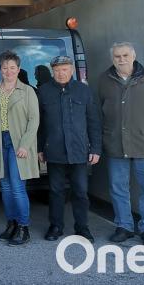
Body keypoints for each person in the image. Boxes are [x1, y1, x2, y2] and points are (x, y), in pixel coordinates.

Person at [98, 42, 144, 248]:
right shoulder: (104, 79)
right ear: (112, 59)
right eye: (117, 56)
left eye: (125, 55)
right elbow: (101, 109)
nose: (121, 59)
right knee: (118, 188)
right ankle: (124, 226)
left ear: (133, 56)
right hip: (115, 143)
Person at [37, 55, 102, 243]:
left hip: (79, 151)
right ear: (52, 71)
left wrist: (95, 148)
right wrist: (40, 148)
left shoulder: (84, 90)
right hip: (54, 151)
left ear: (72, 70)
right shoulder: (44, 92)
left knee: (80, 191)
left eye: (64, 69)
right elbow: (39, 124)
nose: (61, 73)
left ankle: (82, 228)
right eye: (57, 70)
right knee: (56, 191)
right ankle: (56, 226)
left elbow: (93, 122)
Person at [0, 50, 39, 246]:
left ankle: (24, 228)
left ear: (18, 69)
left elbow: (34, 120)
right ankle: (12, 224)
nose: (8, 71)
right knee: (5, 187)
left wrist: (25, 145)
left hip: (18, 143)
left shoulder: (27, 91)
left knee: (17, 187)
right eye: (4, 68)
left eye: (12, 68)